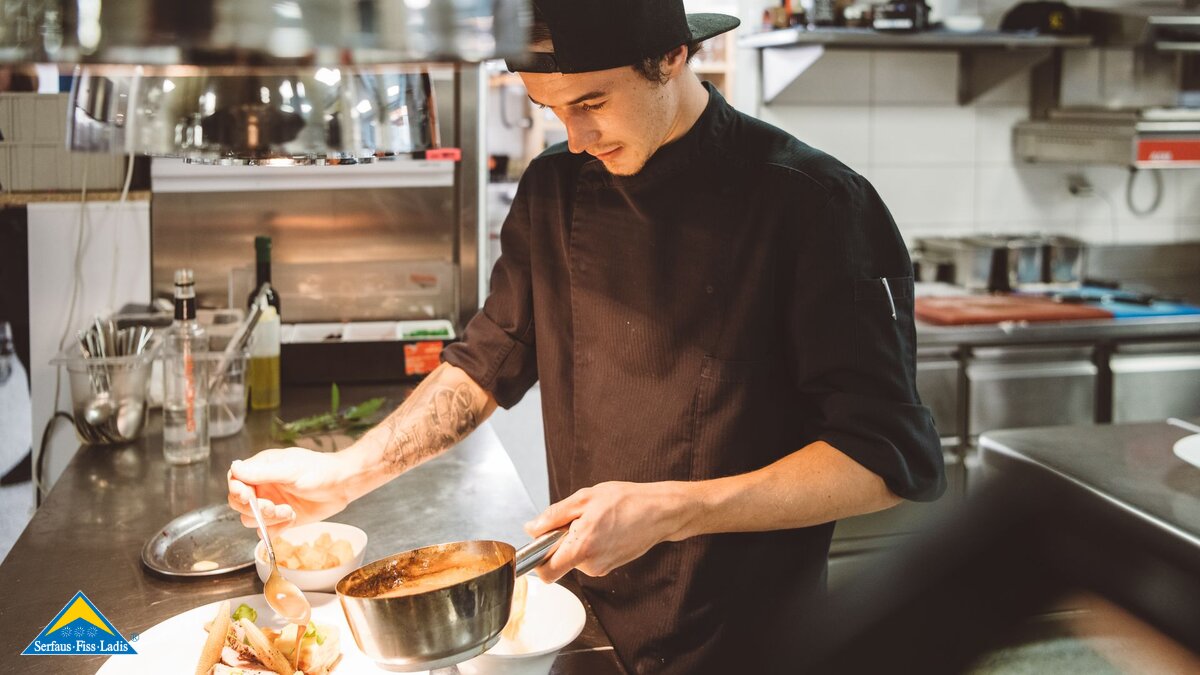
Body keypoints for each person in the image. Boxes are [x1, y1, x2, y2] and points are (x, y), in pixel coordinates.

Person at [227, 1, 945, 672]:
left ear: (670, 56)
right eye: (551, 111)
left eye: (591, 103)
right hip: (583, 624)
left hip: (750, 643)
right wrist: (342, 474)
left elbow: (886, 460)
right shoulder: (554, 189)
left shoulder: (816, 206)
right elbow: (485, 361)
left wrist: (678, 508)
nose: (575, 138)